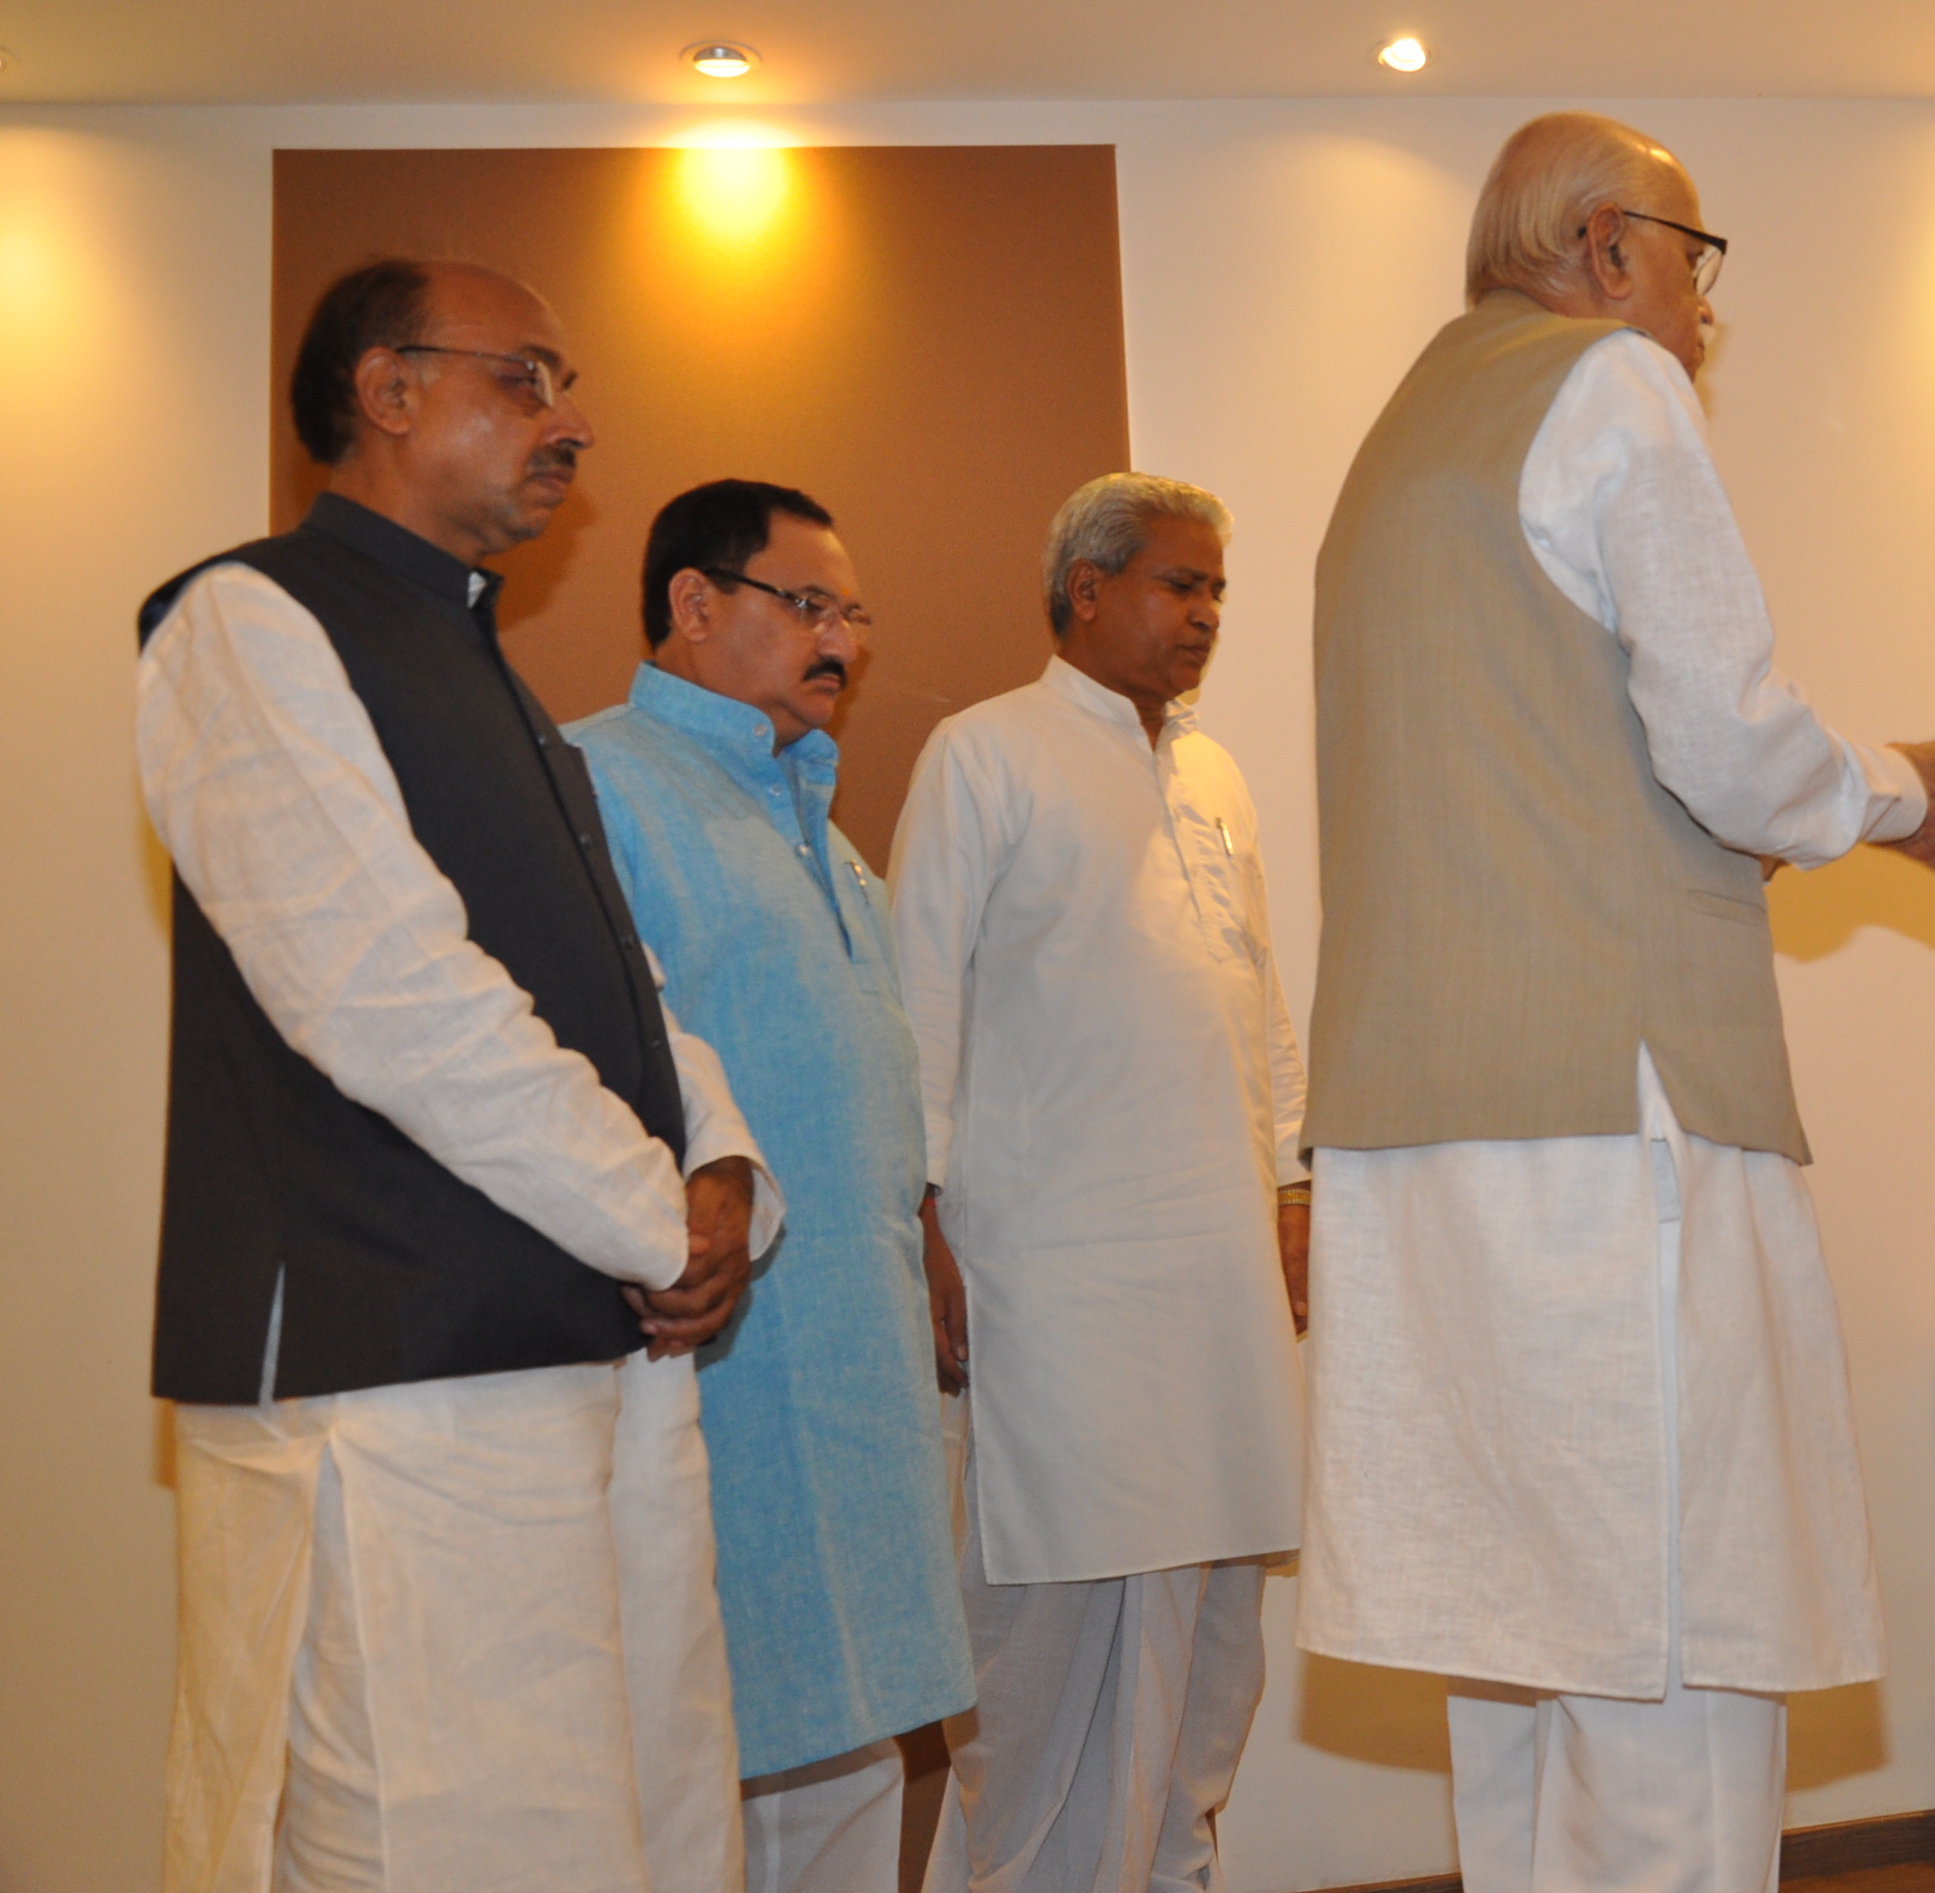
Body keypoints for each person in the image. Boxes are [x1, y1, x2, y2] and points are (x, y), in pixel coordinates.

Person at [1298, 111, 1935, 1891]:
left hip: (1421, 1137)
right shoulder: (1612, 387)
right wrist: (1898, 792)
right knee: (1672, 1630)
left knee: (1526, 1640)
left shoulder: (1388, 449)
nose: (1705, 317)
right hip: (1599, 1116)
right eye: (1697, 265)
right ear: (1606, 245)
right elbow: (1728, 745)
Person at [139, 259, 782, 1892]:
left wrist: (723, 1177)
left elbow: (622, 996)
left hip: (593, 1352)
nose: (574, 420)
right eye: (530, 377)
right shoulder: (246, 619)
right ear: (390, 389)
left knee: (632, 1839)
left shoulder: (494, 680)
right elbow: (384, 992)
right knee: (440, 1846)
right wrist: (660, 1217)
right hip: (397, 1381)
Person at [890, 473, 1304, 1893]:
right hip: (1051, 1280)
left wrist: (1292, 1197)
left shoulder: (1217, 775)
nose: (1202, 617)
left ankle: (1169, 1871)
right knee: (1045, 1634)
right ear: (1086, 590)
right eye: (1178, 586)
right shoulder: (984, 754)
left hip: (1218, 1277)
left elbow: (1262, 1009)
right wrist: (925, 1218)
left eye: (1215, 594)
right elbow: (916, 1008)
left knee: (1216, 1629)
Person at [566, 481, 975, 1891]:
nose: (841, 643)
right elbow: (590, 1052)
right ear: (693, 604)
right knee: (710, 1745)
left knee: (859, 1738)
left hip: (856, 1347)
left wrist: (923, 1233)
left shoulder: (826, 823)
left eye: (852, 614)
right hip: (719, 1356)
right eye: (807, 605)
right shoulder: (595, 780)